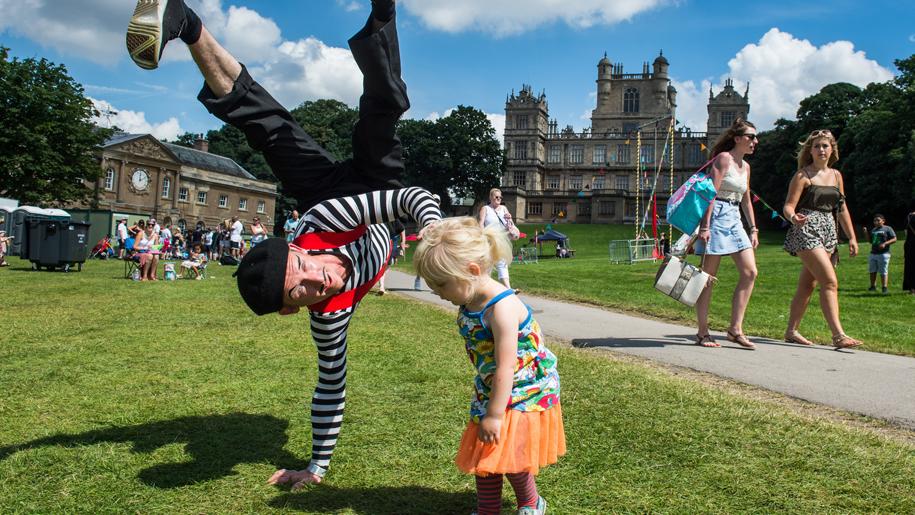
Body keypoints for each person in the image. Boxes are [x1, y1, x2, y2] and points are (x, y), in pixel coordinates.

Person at [125, 0, 440, 488]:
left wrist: (437, 242)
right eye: (305, 292)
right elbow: (329, 388)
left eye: (305, 268)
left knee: (299, 121)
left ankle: (381, 14)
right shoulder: (329, 318)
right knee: (368, 117)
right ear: (296, 310)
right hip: (363, 210)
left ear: (297, 248)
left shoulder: (321, 221)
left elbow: (415, 198)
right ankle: (186, 23)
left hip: (353, 200)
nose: (321, 279)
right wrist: (316, 467)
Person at [413, 217, 564, 515]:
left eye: (440, 285)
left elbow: (507, 367)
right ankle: (492, 509)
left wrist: (495, 415)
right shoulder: (470, 300)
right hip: (492, 386)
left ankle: (530, 503)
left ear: (470, 271)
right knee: (492, 452)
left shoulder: (502, 308)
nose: (436, 292)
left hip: (524, 390)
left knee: (505, 452)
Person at [782, 129, 862, 348]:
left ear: (832, 149)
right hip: (806, 228)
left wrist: (852, 238)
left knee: (808, 285)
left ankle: (791, 331)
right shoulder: (803, 175)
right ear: (810, 150)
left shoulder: (836, 176)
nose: (821, 150)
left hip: (828, 230)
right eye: (816, 146)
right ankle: (838, 335)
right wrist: (793, 216)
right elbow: (788, 205)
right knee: (829, 281)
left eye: (825, 146)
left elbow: (842, 208)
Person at [693, 119, 760, 349]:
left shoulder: (746, 166)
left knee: (750, 272)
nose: (755, 141)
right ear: (737, 138)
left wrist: (753, 228)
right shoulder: (724, 159)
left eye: (755, 137)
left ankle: (735, 329)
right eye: (751, 137)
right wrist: (705, 226)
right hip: (717, 216)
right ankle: (703, 332)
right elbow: (710, 193)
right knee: (707, 279)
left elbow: (746, 199)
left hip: (735, 218)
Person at [478, 188, 517, 291]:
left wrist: (509, 219)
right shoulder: (485, 208)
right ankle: (483, 287)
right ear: (491, 197)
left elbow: (510, 224)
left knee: (502, 263)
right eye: (496, 197)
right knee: (488, 264)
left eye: (500, 197)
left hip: (501, 240)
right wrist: (483, 235)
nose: (499, 199)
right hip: (489, 240)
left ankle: (508, 288)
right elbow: (481, 223)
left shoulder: (504, 208)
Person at [864, 214, 896, 294]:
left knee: (883, 271)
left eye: (878, 220)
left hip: (883, 253)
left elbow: (894, 239)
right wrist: (865, 233)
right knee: (872, 271)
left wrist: (885, 244)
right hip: (873, 253)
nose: (876, 222)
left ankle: (884, 287)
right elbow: (870, 241)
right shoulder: (874, 229)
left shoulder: (888, 228)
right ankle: (872, 286)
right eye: (875, 220)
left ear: (883, 221)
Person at [904, 203, 915, 295]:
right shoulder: (911, 217)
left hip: (910, 244)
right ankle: (912, 288)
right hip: (912, 245)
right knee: (912, 266)